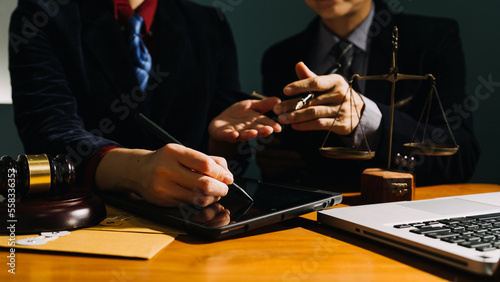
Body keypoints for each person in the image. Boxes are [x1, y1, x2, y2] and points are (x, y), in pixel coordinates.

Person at [9, 0, 280, 207]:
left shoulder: (209, 22)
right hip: (91, 216)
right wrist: (137, 171)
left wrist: (223, 141)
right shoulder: (42, 15)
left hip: (193, 220)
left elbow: (232, 162)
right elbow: (48, 134)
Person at [258, 0, 479, 189]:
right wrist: (269, 162)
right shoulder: (279, 57)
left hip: (402, 211)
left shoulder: (432, 38)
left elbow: (461, 159)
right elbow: (284, 164)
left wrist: (368, 119)